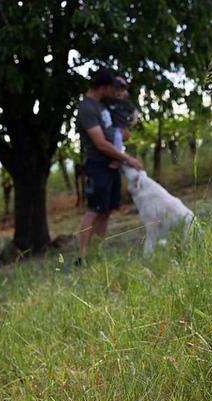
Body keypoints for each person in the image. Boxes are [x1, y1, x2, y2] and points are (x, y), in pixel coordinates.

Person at [76, 68, 143, 261]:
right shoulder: (87, 108)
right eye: (111, 86)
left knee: (105, 211)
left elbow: (112, 127)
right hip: (98, 163)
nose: (115, 89)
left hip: (111, 164)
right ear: (103, 88)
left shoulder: (102, 104)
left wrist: (124, 131)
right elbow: (100, 143)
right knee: (94, 210)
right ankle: (82, 256)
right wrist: (127, 158)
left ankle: (96, 253)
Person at [104, 75, 140, 169]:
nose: (119, 92)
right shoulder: (107, 101)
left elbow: (135, 111)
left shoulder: (125, 103)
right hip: (111, 127)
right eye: (116, 89)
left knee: (117, 136)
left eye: (121, 90)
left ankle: (118, 158)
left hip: (120, 128)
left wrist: (134, 120)